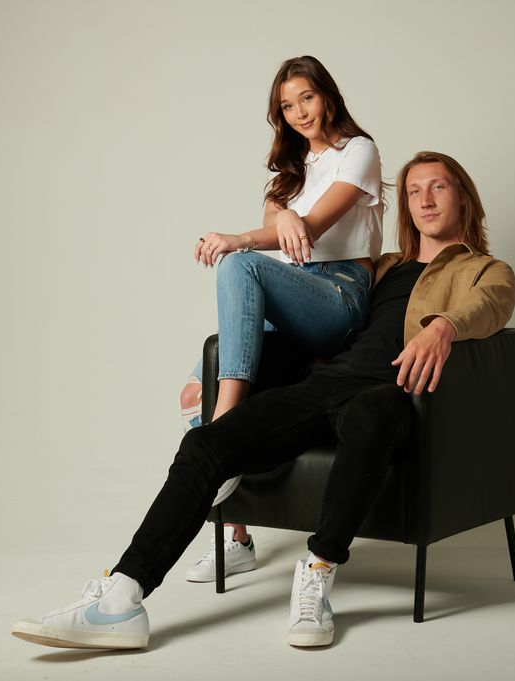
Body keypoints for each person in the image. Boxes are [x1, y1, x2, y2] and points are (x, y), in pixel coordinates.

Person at [12, 151, 515, 650]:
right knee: (207, 445)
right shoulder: (383, 268)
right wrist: (205, 366)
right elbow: (310, 313)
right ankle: (122, 598)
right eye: (413, 190)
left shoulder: (485, 270)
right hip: (325, 383)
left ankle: (318, 572)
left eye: (438, 186)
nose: (424, 198)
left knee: (374, 411)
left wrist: (445, 326)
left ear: (463, 197)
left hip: (390, 396)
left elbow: (492, 306)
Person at [180, 55, 383, 582]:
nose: (298, 113)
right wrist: (282, 214)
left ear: (328, 97)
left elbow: (311, 227)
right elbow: (281, 231)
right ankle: (237, 538)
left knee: (239, 260)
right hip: (298, 291)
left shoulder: (358, 152)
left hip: (340, 293)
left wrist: (271, 226)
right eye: (286, 106)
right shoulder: (287, 173)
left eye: (306, 99)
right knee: (193, 386)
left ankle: (219, 435)